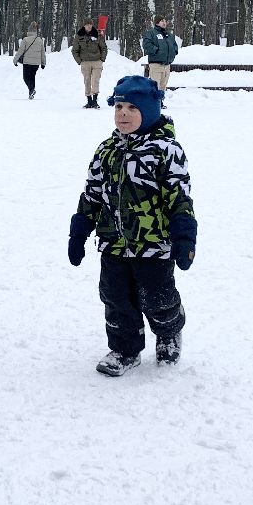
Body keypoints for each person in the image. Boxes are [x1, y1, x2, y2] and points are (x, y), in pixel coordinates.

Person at [68, 75, 197, 376]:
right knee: (115, 297)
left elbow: (179, 198)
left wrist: (184, 238)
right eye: (119, 107)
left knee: (157, 298)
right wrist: (79, 230)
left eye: (132, 108)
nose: (123, 113)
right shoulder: (106, 151)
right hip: (113, 242)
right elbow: (92, 193)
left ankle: (169, 330)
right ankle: (125, 349)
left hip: (153, 244)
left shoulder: (167, 151)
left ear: (149, 111)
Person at [71, 17, 108, 108]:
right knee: (87, 81)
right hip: (85, 62)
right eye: (87, 25)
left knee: (95, 80)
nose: (89, 26)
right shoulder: (79, 35)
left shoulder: (97, 34)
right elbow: (74, 50)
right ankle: (89, 101)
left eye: (90, 24)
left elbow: (103, 48)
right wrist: (79, 61)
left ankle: (95, 101)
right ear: (84, 26)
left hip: (97, 61)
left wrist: (102, 59)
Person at [141, 13, 178, 100]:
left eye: (165, 21)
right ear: (157, 23)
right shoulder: (151, 33)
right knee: (155, 86)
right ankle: (153, 103)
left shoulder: (169, 34)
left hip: (167, 65)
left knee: (163, 86)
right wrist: (156, 51)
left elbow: (174, 45)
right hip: (156, 64)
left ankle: (160, 102)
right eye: (162, 21)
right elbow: (146, 44)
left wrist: (174, 52)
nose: (164, 22)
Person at [14, 21, 46, 98]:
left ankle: (31, 90)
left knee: (25, 78)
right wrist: (43, 63)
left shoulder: (25, 40)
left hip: (27, 62)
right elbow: (43, 53)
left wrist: (15, 60)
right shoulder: (39, 40)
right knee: (32, 77)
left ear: (28, 31)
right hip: (36, 63)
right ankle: (31, 93)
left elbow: (20, 51)